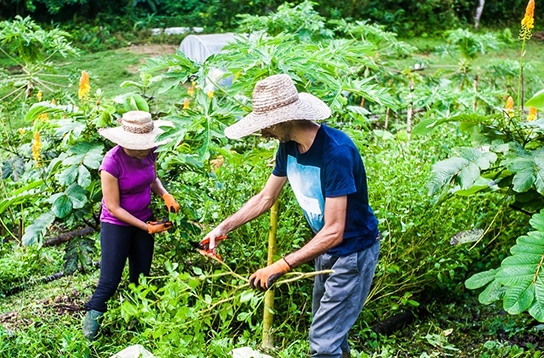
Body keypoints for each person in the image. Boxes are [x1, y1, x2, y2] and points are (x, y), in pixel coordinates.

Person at [201, 74, 381, 358]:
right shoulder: (288, 146)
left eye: (266, 126)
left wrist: (279, 266)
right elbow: (265, 197)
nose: (263, 134)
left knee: (322, 343)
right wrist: (222, 228)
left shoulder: (336, 152)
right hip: (326, 249)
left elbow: (335, 229)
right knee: (332, 335)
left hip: (352, 253)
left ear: (286, 120)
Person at [82, 110, 180, 340]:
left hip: (145, 217)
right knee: (109, 282)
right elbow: (114, 207)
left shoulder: (149, 153)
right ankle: (87, 338)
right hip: (117, 224)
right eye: (140, 146)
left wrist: (165, 195)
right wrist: (145, 227)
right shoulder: (111, 163)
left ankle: (140, 327)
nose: (145, 150)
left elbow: (152, 178)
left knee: (141, 277)